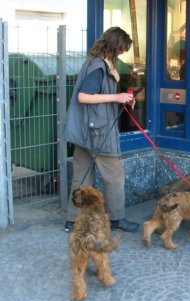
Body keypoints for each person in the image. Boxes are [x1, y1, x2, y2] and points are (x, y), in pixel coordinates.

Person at [63, 27, 140, 232]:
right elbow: (84, 97)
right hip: (98, 131)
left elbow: (98, 96)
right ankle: (117, 219)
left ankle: (73, 220)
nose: (122, 53)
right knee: (115, 176)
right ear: (115, 46)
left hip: (86, 129)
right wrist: (117, 97)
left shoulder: (96, 61)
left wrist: (123, 99)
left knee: (82, 175)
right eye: (122, 49)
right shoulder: (98, 66)